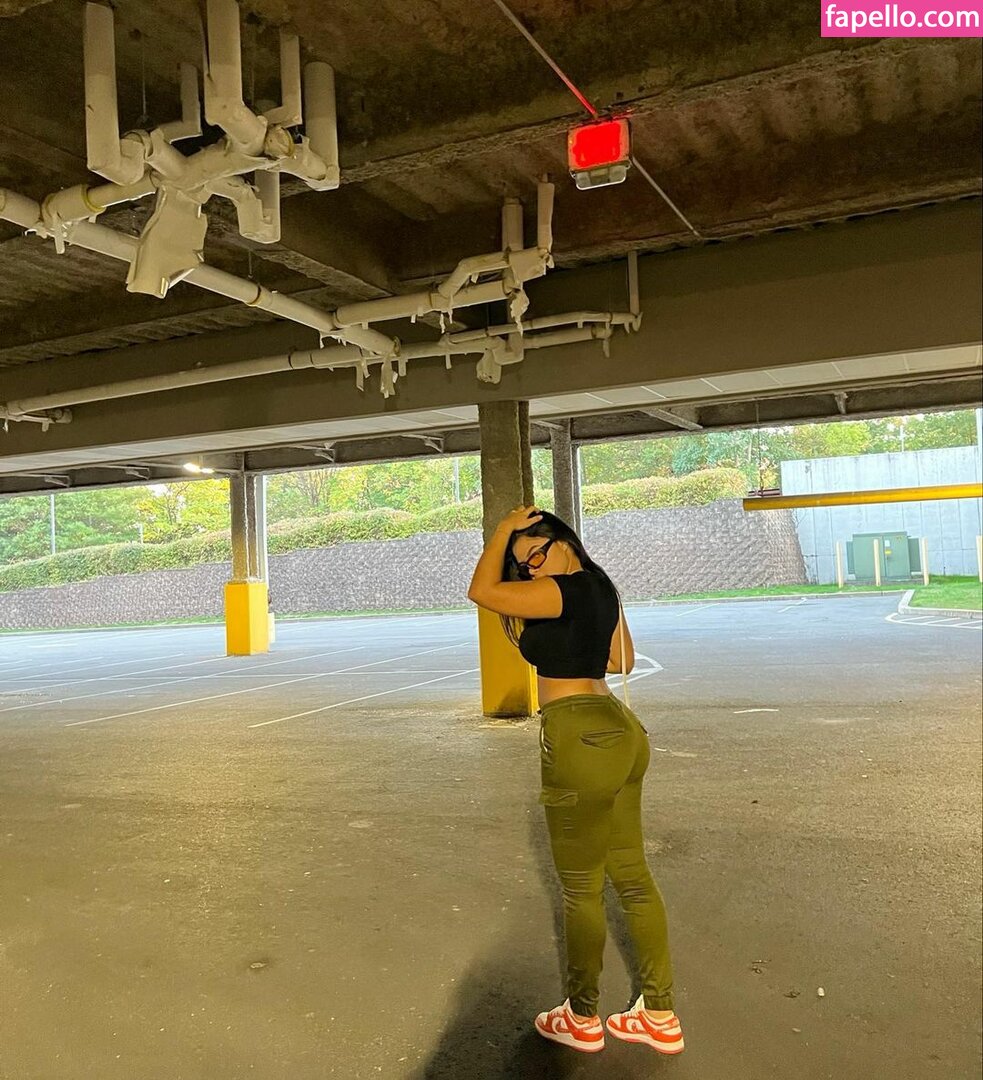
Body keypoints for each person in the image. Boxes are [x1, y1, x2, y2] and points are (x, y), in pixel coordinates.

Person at [467, 505, 683, 1056]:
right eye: (523, 564)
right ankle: (658, 1014)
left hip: (577, 734)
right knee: (632, 876)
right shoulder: (600, 588)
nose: (531, 569)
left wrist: (502, 532)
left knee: (581, 887)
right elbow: (622, 659)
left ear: (563, 541)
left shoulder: (562, 589)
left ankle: (581, 1016)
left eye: (536, 554)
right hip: (620, 730)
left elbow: (481, 591)